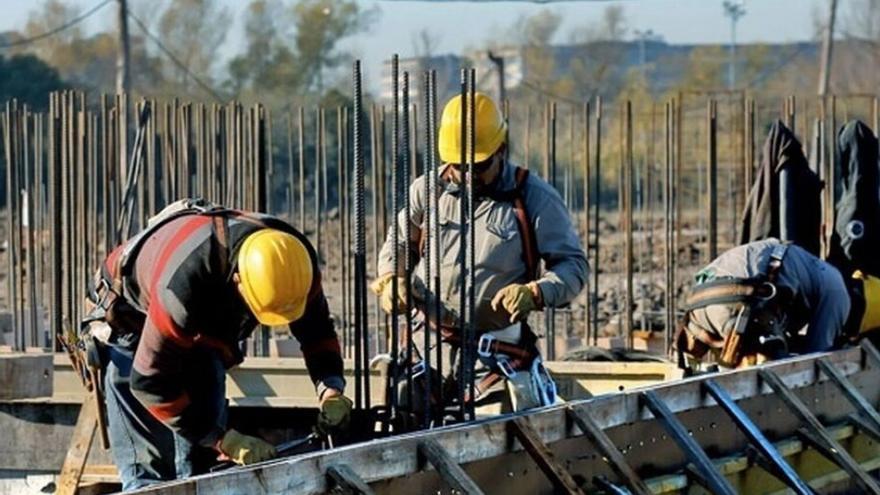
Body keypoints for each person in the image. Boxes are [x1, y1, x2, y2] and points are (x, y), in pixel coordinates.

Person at [82, 199, 352, 490]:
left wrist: (330, 390)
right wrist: (223, 440)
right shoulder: (182, 285)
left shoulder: (295, 264)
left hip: (200, 323)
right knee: (151, 477)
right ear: (238, 281)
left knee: (202, 468)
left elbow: (317, 331)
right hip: (131, 320)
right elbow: (149, 381)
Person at [372, 92, 587, 422]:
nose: (468, 174)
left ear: (501, 149)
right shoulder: (426, 191)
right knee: (405, 430)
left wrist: (537, 292)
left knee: (494, 443)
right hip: (426, 349)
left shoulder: (534, 198)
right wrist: (391, 279)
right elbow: (398, 245)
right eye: (459, 166)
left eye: (480, 166)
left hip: (496, 354)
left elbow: (573, 267)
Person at [675, 238, 857, 371]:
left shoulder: (812, 269)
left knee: (698, 374)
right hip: (740, 303)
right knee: (770, 372)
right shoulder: (838, 290)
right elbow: (816, 358)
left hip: (699, 300)